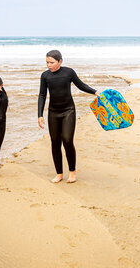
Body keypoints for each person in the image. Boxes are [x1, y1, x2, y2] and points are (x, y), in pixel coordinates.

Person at [38, 50, 100, 183]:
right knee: (55, 143)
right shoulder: (45, 76)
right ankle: (59, 174)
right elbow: (42, 95)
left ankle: (72, 172)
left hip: (68, 111)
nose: (49, 65)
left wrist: (95, 92)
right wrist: (40, 114)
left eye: (52, 62)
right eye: (47, 62)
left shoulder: (68, 72)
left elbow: (81, 85)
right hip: (53, 112)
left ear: (60, 61)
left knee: (67, 140)